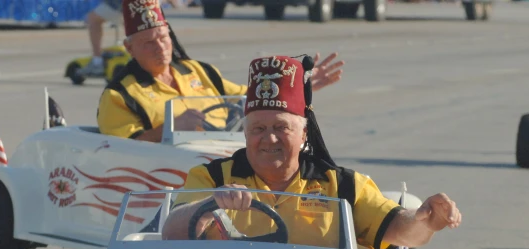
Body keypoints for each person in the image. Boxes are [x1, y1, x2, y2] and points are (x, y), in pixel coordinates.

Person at [162, 55, 461, 249]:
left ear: (304, 133)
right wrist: (210, 204)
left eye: (281, 127)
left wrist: (427, 221)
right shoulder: (211, 178)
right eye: (258, 129)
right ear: (245, 133)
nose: (269, 138)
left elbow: (400, 232)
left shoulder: (340, 186)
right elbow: (172, 233)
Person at [96, 0, 344, 142]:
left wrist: (298, 86)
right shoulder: (120, 95)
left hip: (226, 154)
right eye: (148, 42)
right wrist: (168, 129)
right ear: (129, 47)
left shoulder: (197, 70)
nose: (160, 47)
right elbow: (119, 149)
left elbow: (249, 97)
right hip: (168, 174)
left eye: (163, 37)